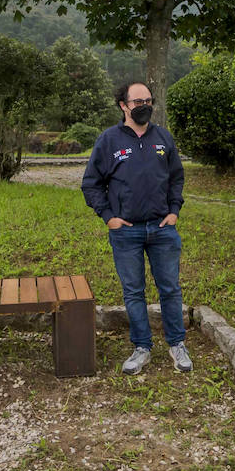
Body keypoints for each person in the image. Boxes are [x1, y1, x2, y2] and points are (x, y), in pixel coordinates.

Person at [82, 81, 189, 375]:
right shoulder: (108, 141)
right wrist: (108, 216)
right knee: (133, 292)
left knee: (170, 289)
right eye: (138, 101)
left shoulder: (163, 139)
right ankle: (142, 346)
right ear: (123, 105)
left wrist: (174, 211)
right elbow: (91, 184)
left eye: (148, 101)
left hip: (162, 229)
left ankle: (177, 343)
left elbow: (176, 178)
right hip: (125, 232)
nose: (144, 106)